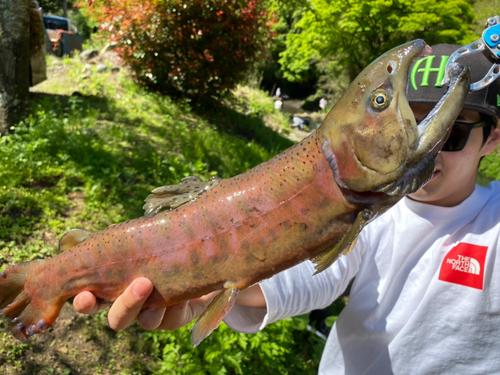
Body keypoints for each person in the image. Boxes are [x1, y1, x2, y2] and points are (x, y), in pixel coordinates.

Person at [74, 44, 500, 374]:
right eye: (405, 118)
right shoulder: (367, 214)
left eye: (454, 133)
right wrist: (207, 288)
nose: (425, 146)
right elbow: (307, 277)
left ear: (494, 140)